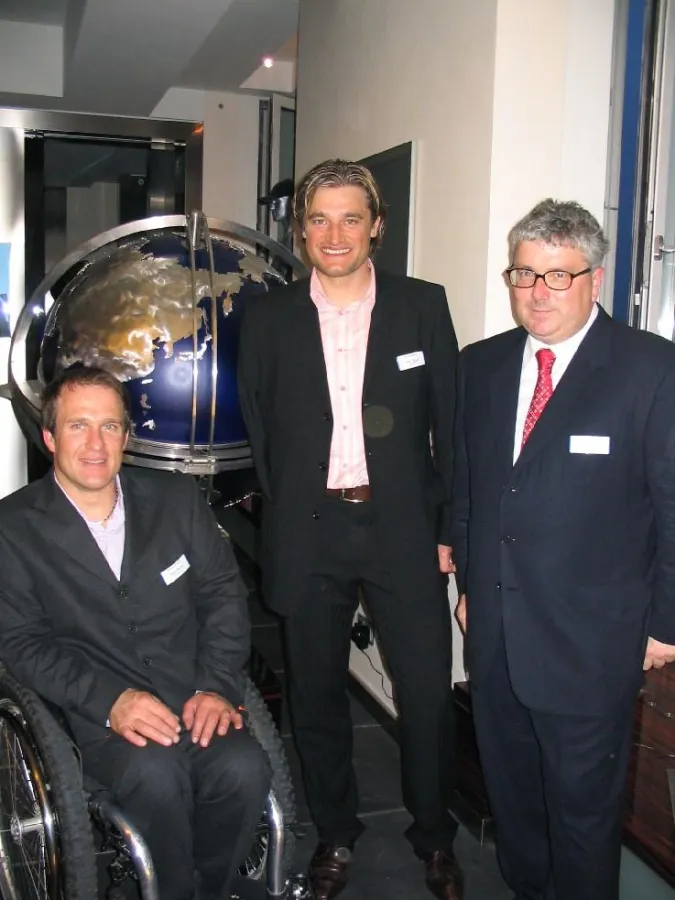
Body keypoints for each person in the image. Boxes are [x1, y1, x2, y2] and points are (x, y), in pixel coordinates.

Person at [238, 159, 462, 900]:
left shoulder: (422, 306)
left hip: (403, 530)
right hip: (310, 531)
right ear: (301, 230)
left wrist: (448, 526)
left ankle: (434, 836)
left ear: (376, 226)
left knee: (426, 695)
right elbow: (261, 431)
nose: (335, 235)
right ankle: (335, 832)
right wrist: (285, 518)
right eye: (319, 219)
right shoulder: (267, 317)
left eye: (351, 219)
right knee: (316, 697)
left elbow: (450, 428)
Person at [450, 198, 675, 900]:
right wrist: (467, 582)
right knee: (513, 802)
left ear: (594, 279)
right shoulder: (481, 365)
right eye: (523, 274)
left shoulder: (651, 369)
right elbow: (469, 486)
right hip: (495, 635)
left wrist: (666, 623)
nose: (536, 292)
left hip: (591, 644)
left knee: (581, 817)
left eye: (557, 275)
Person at [0, 365, 270, 900]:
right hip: (94, 713)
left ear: (127, 435)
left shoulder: (176, 500)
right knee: (156, 776)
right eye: (78, 426)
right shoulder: (13, 527)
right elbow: (21, 642)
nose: (95, 444)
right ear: (50, 437)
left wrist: (215, 685)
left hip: (191, 695)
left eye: (109, 426)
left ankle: (203, 888)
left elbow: (222, 594)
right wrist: (111, 701)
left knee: (243, 768)